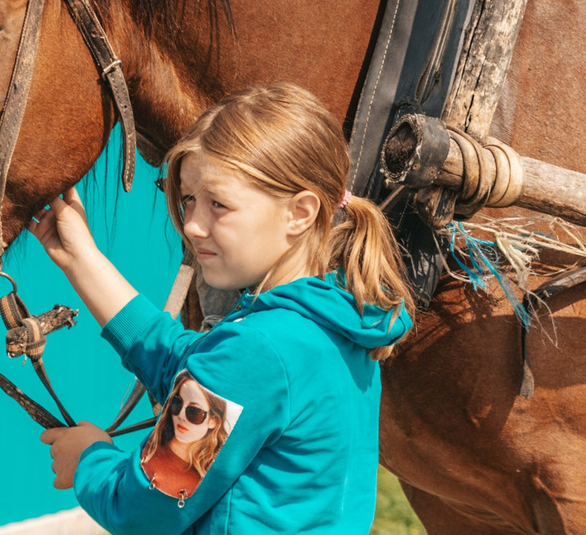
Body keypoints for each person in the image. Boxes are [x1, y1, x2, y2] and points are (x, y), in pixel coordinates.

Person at [32, 82, 413, 534]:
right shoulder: (336, 320)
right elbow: (195, 360)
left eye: (219, 203)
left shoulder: (258, 348)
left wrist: (89, 459)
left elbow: (144, 509)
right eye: (189, 199)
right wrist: (80, 258)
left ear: (300, 212)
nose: (192, 224)